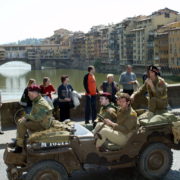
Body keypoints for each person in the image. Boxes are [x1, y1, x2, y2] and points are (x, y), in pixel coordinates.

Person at [13, 85, 53, 153]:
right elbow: (33, 114)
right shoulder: (36, 100)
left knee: (22, 124)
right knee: (21, 121)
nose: (28, 95)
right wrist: (26, 117)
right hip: (41, 121)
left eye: (29, 94)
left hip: (43, 125)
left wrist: (27, 117)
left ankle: (19, 146)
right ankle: (19, 141)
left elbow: (38, 118)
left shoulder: (41, 103)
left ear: (35, 93)